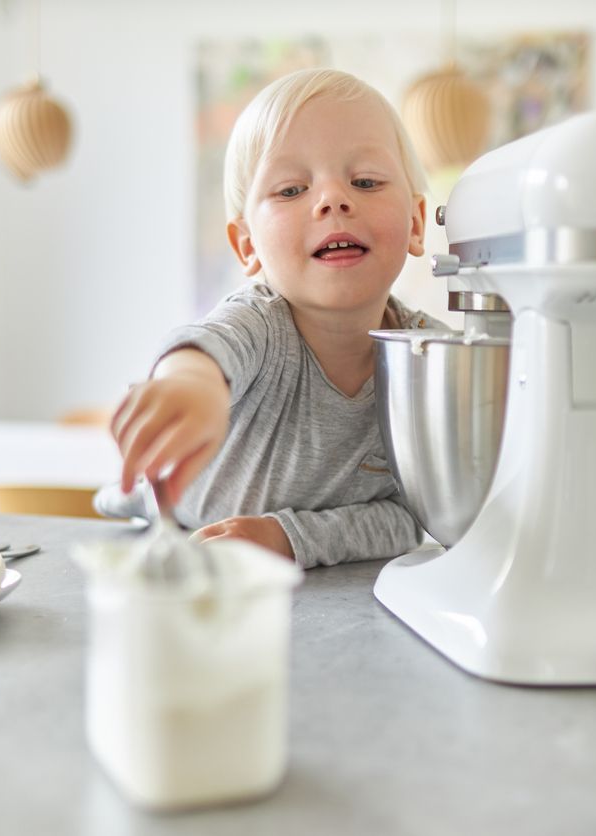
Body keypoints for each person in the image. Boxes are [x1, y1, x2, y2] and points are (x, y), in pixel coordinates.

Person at [107, 68, 444, 569]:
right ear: (247, 246)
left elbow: (410, 519)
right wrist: (193, 384)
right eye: (291, 191)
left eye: (366, 181)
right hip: (177, 538)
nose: (333, 199)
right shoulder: (260, 325)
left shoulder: (429, 356)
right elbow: (205, 347)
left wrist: (288, 539)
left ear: (416, 223)